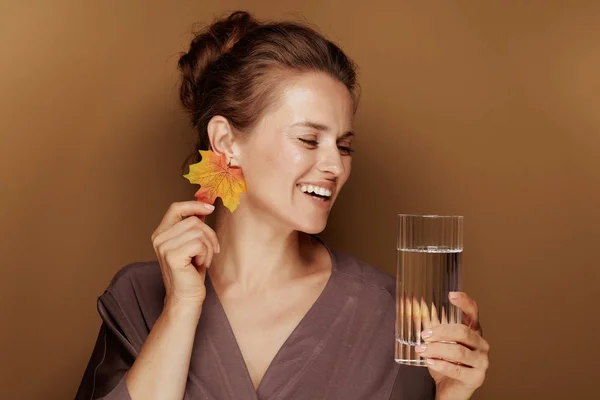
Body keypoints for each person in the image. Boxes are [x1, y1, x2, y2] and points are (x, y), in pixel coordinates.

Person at [74, 10, 489, 400]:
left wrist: (450, 395)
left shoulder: (393, 314)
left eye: (344, 147)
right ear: (226, 142)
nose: (335, 167)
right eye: (308, 139)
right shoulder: (137, 297)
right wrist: (181, 309)